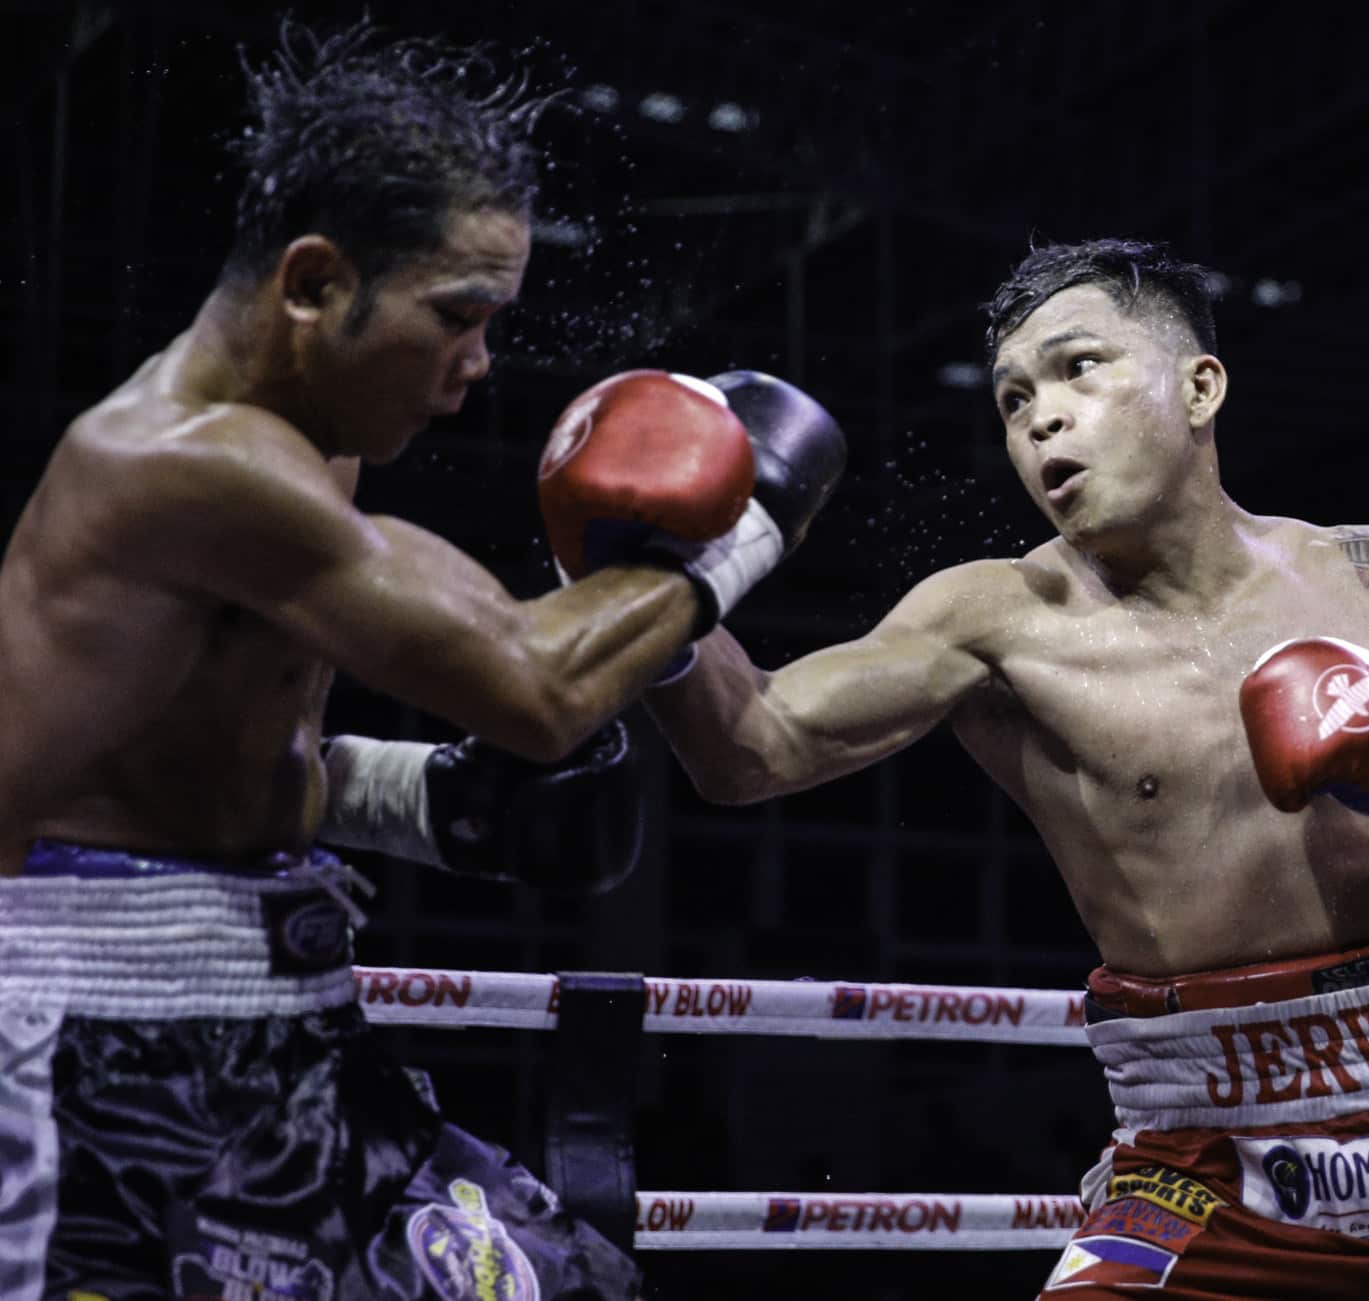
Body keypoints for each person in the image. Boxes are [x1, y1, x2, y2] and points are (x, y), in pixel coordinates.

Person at [640, 239, 1369, 1299]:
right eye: (1012, 398)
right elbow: (748, 747)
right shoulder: (996, 621)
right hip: (1210, 1170)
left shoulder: (1365, 572)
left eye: (1079, 366)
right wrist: (660, 576)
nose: (1040, 415)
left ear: (1200, 384)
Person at [0, 18, 840, 1298]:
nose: (478, 367)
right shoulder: (185, 463)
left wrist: (419, 799)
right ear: (314, 283)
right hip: (104, 1052)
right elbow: (538, 686)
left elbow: (181, 749)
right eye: (456, 316)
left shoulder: (311, 439)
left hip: (288, 1027)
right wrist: (745, 526)